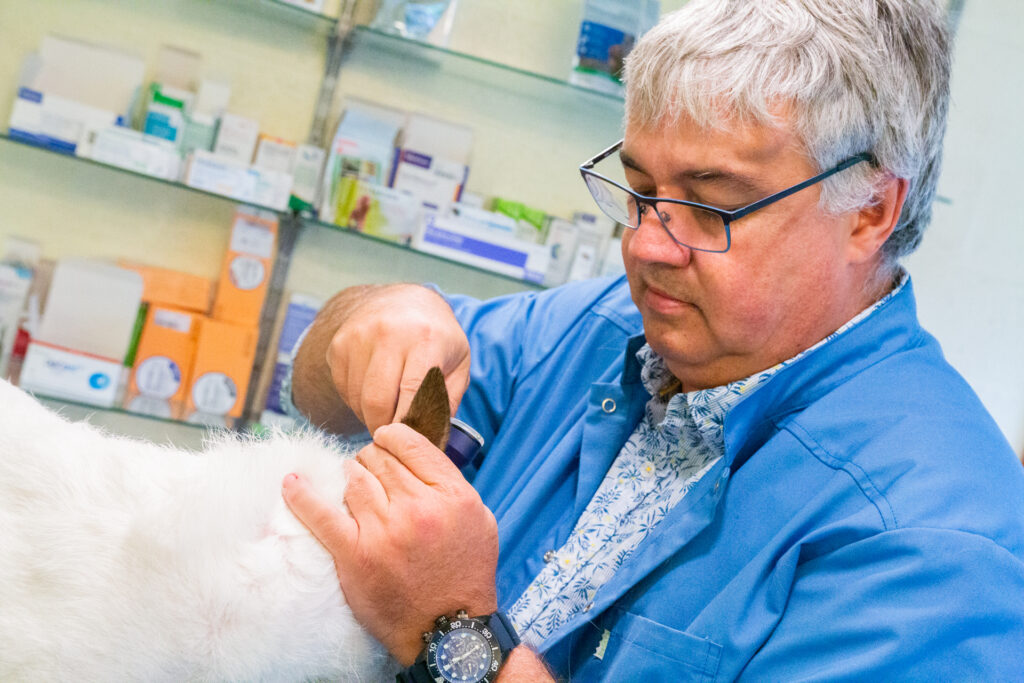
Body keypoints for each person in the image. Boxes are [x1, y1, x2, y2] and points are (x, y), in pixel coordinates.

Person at [281, 0, 1024, 679]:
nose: (646, 246)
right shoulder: (600, 327)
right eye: (639, 190)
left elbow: (443, 624)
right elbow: (317, 390)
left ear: (869, 210)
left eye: (712, 206)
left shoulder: (929, 545)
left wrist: (450, 626)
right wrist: (369, 316)